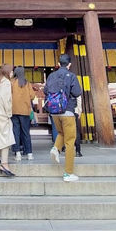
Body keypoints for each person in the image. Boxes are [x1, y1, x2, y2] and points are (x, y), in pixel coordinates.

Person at [45, 54, 82, 182]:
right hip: (68, 111)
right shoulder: (71, 76)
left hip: (54, 112)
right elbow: (77, 92)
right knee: (70, 141)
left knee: (61, 132)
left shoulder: (51, 76)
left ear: (58, 63)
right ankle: (68, 173)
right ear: (69, 64)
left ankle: (56, 148)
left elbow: (46, 90)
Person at [11, 66, 37, 161]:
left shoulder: (12, 83)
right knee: (26, 133)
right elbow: (32, 96)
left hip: (13, 111)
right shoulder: (27, 83)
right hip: (25, 112)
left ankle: (17, 154)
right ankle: (29, 153)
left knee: (15, 132)